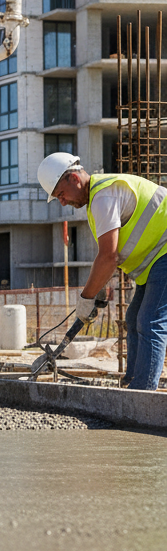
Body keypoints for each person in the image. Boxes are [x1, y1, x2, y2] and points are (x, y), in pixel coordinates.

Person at [38, 152, 167, 390]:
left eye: (61, 194)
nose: (62, 202)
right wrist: (99, 287)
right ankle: (132, 383)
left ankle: (142, 395)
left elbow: (108, 257)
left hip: (164, 253)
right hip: (156, 259)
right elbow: (114, 253)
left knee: (149, 321)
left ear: (74, 178)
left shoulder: (103, 197)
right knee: (134, 318)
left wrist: (86, 298)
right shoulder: (98, 198)